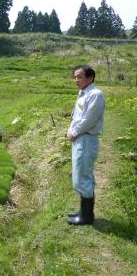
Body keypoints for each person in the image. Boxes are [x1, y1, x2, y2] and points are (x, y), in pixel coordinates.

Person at [66, 64, 105, 226]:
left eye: (80, 76)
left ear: (90, 78)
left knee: (82, 177)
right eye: (75, 76)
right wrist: (71, 130)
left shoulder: (95, 94)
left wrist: (74, 132)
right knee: (80, 175)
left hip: (86, 139)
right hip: (80, 138)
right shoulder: (83, 94)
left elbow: (89, 119)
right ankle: (83, 211)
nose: (76, 79)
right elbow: (76, 117)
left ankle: (87, 216)